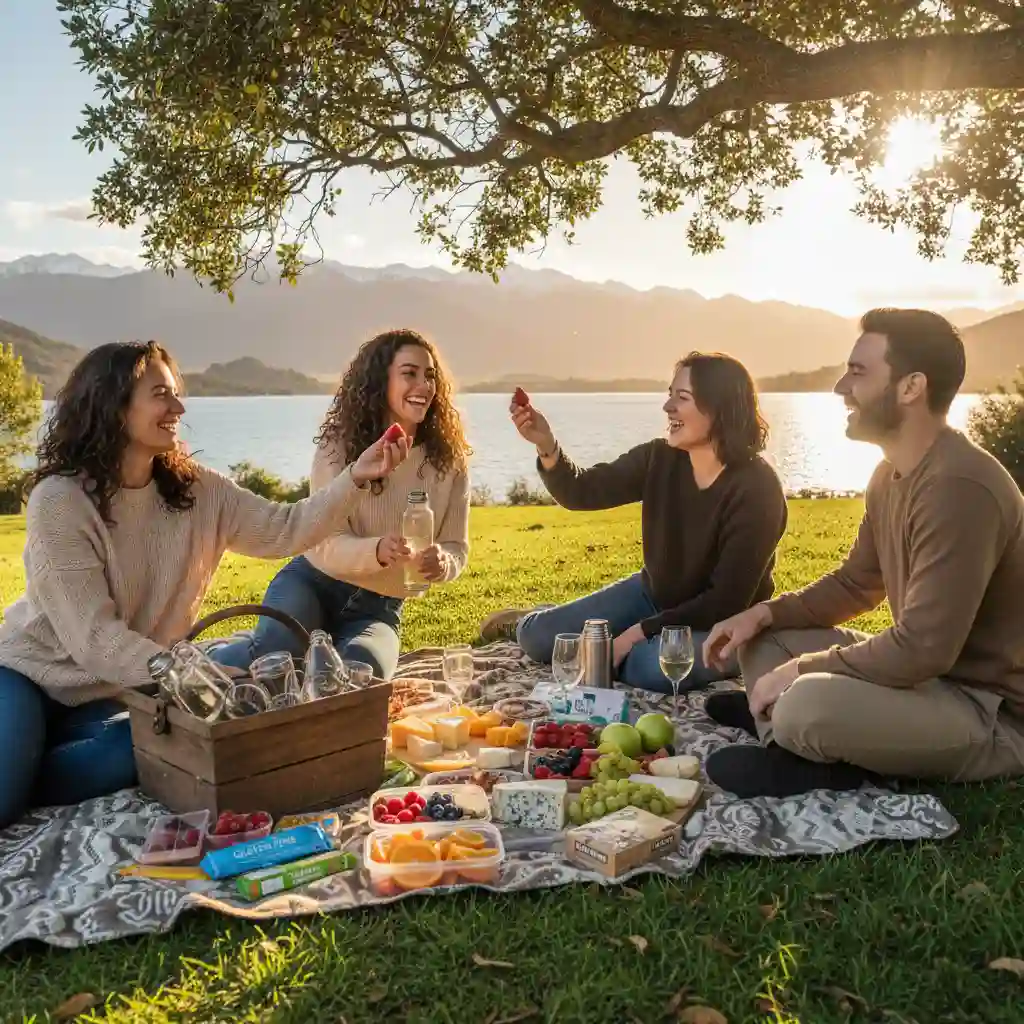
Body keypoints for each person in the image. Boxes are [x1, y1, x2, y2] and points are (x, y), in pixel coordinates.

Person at [0, 341, 410, 829]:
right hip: (29, 676)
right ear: (112, 405)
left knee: (154, 754)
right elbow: (94, 640)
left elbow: (287, 527)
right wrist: (192, 676)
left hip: (114, 691)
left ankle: (28, 757)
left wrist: (356, 477)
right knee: (6, 799)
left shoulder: (197, 490)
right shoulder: (61, 500)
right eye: (161, 395)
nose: (179, 407)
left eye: (177, 394)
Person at [702, 308, 1024, 798]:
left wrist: (799, 671)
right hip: (926, 683)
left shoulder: (959, 486)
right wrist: (763, 614)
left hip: (987, 711)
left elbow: (921, 649)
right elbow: (857, 583)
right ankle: (786, 737)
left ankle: (798, 737)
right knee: (765, 639)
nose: (840, 388)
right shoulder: (887, 475)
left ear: (911, 387)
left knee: (805, 702)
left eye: (858, 373)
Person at [480, 352, 788, 691]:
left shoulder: (757, 488)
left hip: (723, 623)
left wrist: (635, 634)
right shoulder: (659, 458)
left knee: (650, 667)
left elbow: (725, 600)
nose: (667, 407)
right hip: (653, 594)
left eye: (681, 398)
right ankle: (525, 620)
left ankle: (621, 639)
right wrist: (546, 445)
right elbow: (583, 491)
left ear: (719, 407)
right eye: (669, 394)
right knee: (539, 638)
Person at [211, 329, 471, 681]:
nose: (424, 386)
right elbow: (320, 540)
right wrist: (377, 550)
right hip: (312, 582)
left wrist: (443, 562)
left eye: (430, 376)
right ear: (382, 380)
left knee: (363, 677)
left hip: (378, 608)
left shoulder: (448, 460)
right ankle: (207, 657)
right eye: (409, 373)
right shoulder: (340, 446)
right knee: (274, 660)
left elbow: (456, 546)